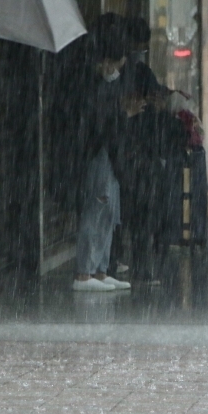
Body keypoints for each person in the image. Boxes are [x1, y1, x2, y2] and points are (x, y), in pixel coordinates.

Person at [61, 20, 145, 292]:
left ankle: (100, 269)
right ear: (106, 60)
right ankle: (84, 272)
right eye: (117, 63)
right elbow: (97, 122)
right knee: (95, 209)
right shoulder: (89, 84)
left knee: (109, 210)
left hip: (109, 153)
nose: (118, 69)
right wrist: (125, 115)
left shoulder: (107, 84)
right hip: (96, 152)